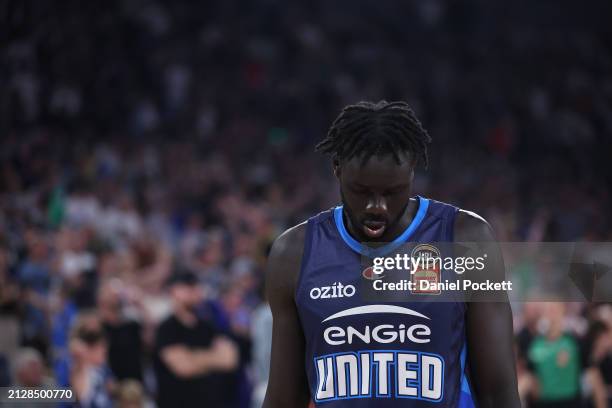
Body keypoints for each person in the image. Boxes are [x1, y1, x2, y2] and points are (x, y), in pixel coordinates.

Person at [263, 101, 519, 407]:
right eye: (361, 191)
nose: (377, 207)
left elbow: (499, 391)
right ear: (336, 169)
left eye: (392, 192)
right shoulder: (294, 253)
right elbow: (283, 400)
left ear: (412, 170)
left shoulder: (467, 238)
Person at [153, 269, 238, 408]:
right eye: (188, 286)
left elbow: (229, 360)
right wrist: (214, 358)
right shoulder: (166, 328)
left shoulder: (208, 326)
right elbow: (183, 367)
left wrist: (193, 357)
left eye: (195, 286)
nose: (195, 291)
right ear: (174, 291)